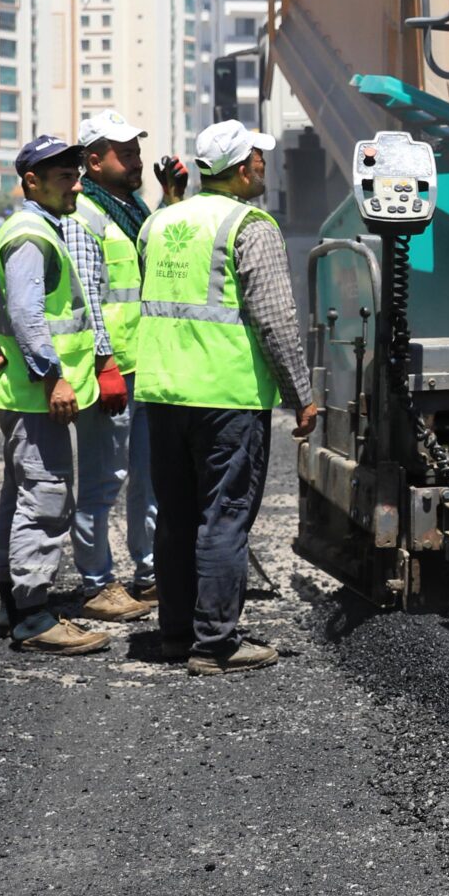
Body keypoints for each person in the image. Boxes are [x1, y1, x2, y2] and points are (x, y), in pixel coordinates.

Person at [132, 121, 319, 675]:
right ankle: (215, 644)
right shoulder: (251, 225)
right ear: (242, 170)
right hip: (226, 396)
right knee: (224, 518)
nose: (265, 164)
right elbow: (276, 319)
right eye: (259, 157)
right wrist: (300, 395)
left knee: (175, 517)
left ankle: (175, 633)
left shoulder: (160, 223)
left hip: (164, 394)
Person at [0, 135, 118, 655]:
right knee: (46, 499)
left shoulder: (33, 229)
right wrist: (53, 377)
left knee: (21, 496)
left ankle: (14, 606)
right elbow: (26, 315)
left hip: (26, 391)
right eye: (65, 177)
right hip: (37, 394)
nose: (77, 184)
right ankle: (34, 619)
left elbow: (2, 314)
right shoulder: (31, 237)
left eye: (77, 174)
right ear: (31, 181)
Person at [65, 109, 160, 622]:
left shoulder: (134, 209)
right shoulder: (85, 215)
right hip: (112, 369)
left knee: (149, 478)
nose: (135, 160)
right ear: (94, 161)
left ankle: (147, 574)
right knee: (104, 479)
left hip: (145, 366)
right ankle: (97, 581)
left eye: (135, 151)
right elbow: (88, 296)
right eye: (124, 153)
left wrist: (172, 200)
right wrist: (103, 363)